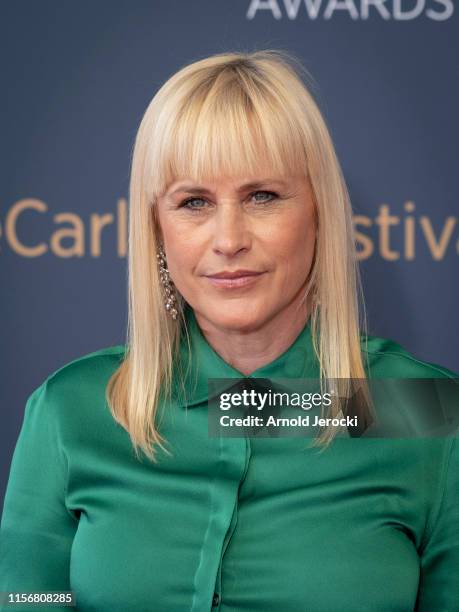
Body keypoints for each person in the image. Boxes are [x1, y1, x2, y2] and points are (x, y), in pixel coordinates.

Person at [0, 50, 458, 612]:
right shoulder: (69, 412)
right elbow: (26, 596)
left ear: (320, 212)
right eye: (193, 202)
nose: (229, 238)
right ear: (157, 229)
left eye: (262, 196)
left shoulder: (427, 412)